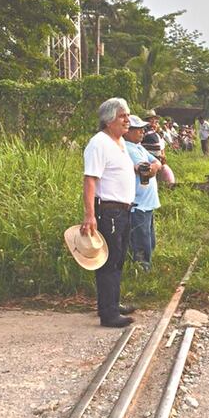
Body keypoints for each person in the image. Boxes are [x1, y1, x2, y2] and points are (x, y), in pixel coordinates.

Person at [81, 98, 139, 328]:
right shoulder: (99, 143)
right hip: (109, 211)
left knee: (118, 259)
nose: (127, 120)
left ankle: (112, 302)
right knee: (109, 261)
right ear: (108, 120)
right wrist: (89, 215)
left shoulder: (119, 143)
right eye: (122, 116)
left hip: (124, 210)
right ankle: (108, 313)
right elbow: (90, 181)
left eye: (127, 115)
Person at [123, 115, 162, 272]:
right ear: (127, 131)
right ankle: (140, 272)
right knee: (141, 242)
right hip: (138, 205)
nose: (141, 132)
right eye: (137, 129)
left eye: (142, 129)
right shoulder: (128, 148)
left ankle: (144, 269)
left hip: (147, 204)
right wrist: (152, 167)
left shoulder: (138, 147)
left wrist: (155, 166)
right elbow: (146, 172)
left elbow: (158, 161)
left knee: (149, 241)